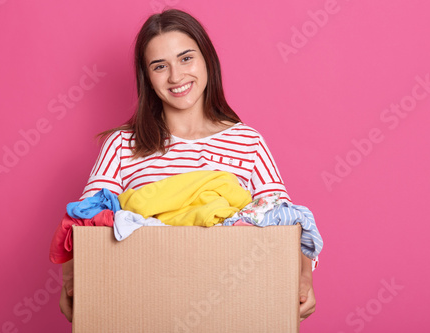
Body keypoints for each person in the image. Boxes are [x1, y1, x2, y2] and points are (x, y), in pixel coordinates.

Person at [59, 8, 316, 323]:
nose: (176, 77)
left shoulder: (248, 142)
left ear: (207, 59)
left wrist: (303, 278)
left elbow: (284, 223)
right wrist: (72, 278)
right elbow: (85, 224)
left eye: (185, 59)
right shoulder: (122, 144)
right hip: (142, 307)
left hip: (232, 308)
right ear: (147, 78)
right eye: (159, 66)